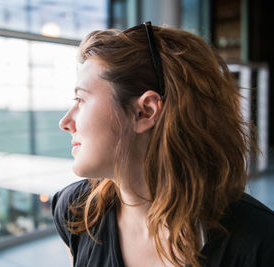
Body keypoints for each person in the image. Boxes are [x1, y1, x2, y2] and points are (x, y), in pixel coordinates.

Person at [51, 21, 274, 267]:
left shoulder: (259, 244)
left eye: (81, 99)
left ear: (145, 112)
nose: (65, 122)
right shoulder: (76, 211)